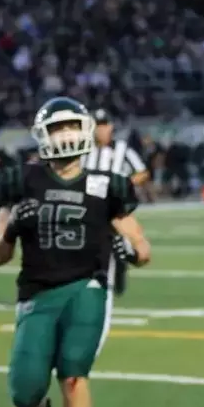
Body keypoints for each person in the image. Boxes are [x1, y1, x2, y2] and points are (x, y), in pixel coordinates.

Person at [0, 97, 152, 407]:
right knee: (24, 390)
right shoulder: (22, 180)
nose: (65, 135)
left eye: (69, 126)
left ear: (85, 129)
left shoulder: (105, 184)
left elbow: (142, 246)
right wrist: (9, 232)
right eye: (56, 128)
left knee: (74, 375)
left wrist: (130, 251)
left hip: (86, 289)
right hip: (37, 293)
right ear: (43, 135)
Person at [84, 109, 150, 296]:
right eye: (97, 126)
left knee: (122, 241)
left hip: (114, 206)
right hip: (88, 206)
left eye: (103, 125)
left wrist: (124, 185)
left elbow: (142, 172)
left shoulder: (122, 150)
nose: (100, 130)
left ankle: (118, 271)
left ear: (110, 127)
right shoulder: (84, 150)